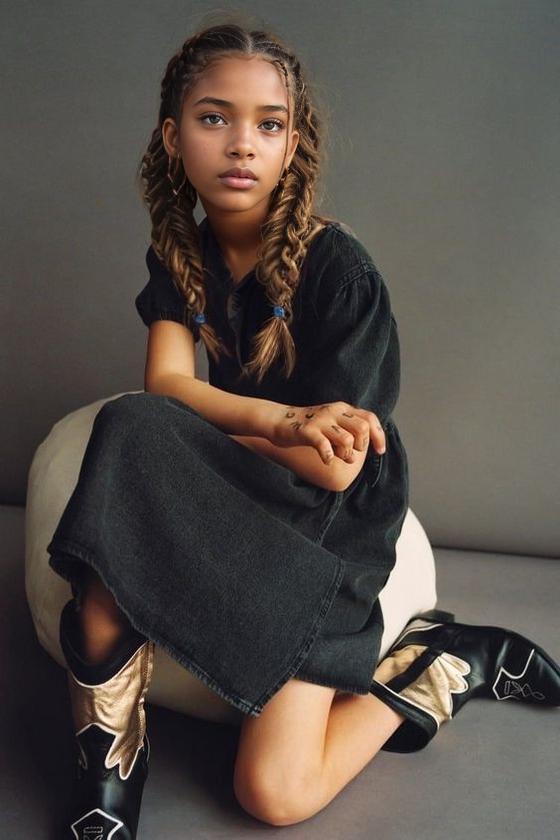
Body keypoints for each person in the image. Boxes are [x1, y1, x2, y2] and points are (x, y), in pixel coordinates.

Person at [46, 20, 560, 837]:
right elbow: (168, 386)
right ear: (173, 138)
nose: (241, 144)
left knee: (275, 795)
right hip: (247, 471)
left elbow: (331, 471)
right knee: (131, 429)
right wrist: (279, 419)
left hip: (326, 521)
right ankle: (107, 776)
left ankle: (448, 662)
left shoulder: (339, 273)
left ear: (293, 145)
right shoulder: (180, 250)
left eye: (269, 124)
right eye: (214, 118)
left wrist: (224, 439)